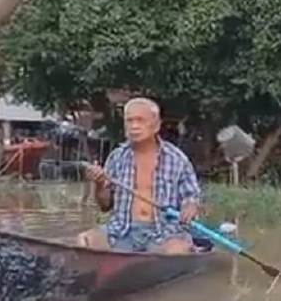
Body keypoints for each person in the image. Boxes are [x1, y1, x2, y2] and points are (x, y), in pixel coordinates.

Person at [77, 97, 202, 254]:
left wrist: (190, 206)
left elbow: (191, 197)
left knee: (178, 250)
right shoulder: (117, 157)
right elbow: (104, 205)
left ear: (156, 125)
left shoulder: (177, 159)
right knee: (85, 240)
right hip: (122, 231)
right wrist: (100, 183)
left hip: (164, 233)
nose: (134, 126)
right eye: (129, 121)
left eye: (140, 120)